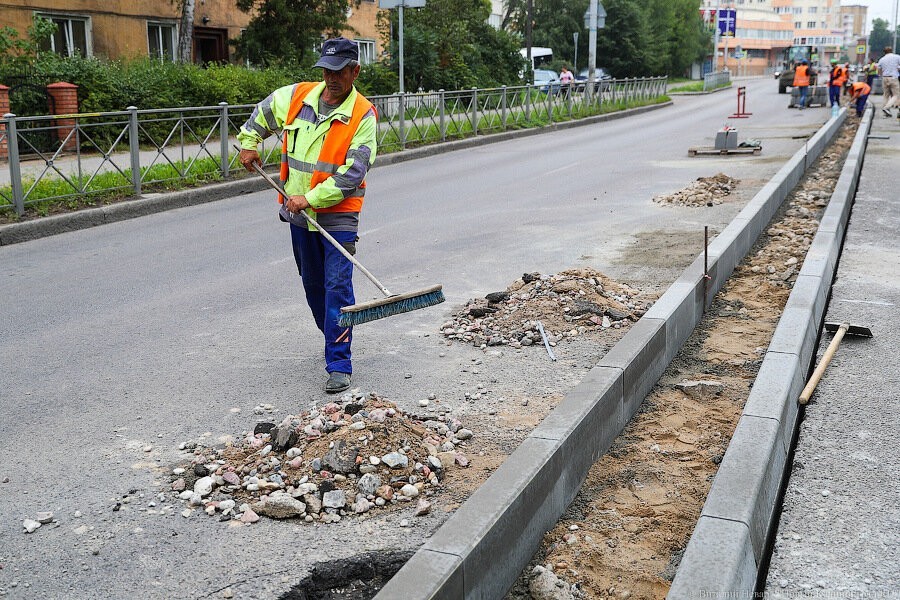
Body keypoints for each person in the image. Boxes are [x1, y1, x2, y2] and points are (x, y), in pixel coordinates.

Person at [237, 37, 377, 394]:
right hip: (298, 214)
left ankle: (339, 363)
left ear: (354, 71)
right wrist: (250, 142)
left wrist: (311, 197)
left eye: (339, 72)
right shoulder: (297, 97)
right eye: (326, 71)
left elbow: (352, 173)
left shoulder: (363, 115)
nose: (331, 78)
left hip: (338, 215)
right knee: (314, 286)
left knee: (337, 287)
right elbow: (263, 113)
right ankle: (332, 333)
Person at [876, 45, 900, 117]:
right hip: (893, 78)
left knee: (886, 95)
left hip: (884, 78)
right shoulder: (897, 57)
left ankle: (886, 113)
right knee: (896, 95)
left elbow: (879, 70)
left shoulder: (882, 59)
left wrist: (881, 75)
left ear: (884, 52)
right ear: (891, 50)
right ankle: (886, 108)